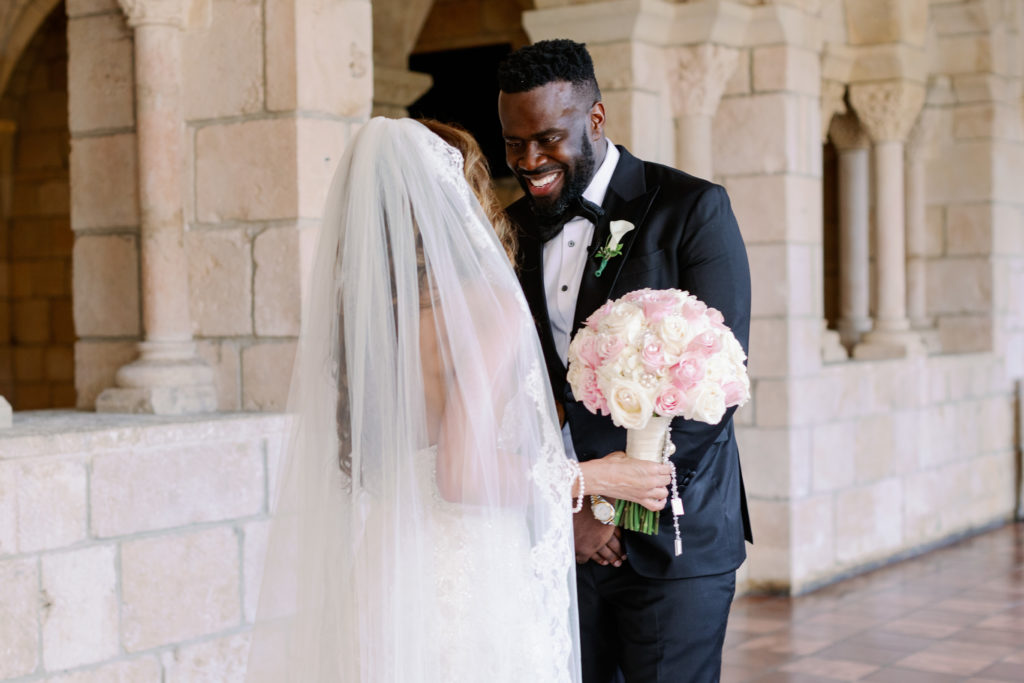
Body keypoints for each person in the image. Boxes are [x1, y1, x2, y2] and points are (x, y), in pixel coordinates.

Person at [244, 116, 671, 683]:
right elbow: (461, 471)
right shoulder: (483, 305)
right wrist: (599, 477)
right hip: (466, 564)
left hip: (388, 559)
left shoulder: (373, 313)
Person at [498, 40, 753, 683]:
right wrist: (569, 509)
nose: (529, 161)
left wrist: (608, 509)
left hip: (675, 537)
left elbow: (714, 385)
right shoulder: (505, 229)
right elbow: (513, 385)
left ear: (596, 118)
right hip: (558, 540)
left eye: (547, 138)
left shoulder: (691, 209)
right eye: (513, 143)